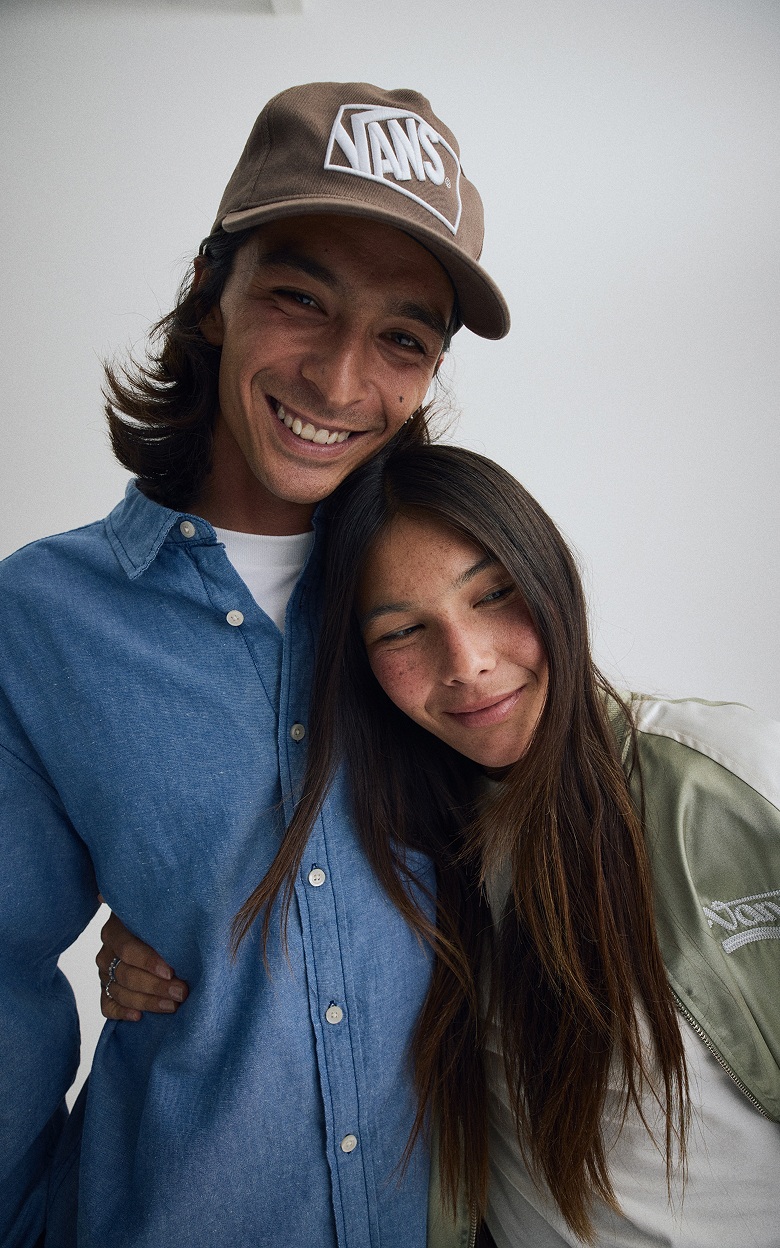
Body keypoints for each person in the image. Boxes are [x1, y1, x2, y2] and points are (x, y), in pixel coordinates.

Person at [0, 82, 510, 1248]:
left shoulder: (461, 615)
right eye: (299, 298)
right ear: (211, 295)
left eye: (401, 338)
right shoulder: (40, 619)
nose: (338, 381)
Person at [102, 443, 780, 1247]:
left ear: (549, 573)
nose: (468, 664)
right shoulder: (408, 836)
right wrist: (151, 942)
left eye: (494, 594)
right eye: (403, 631)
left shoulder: (725, 778)